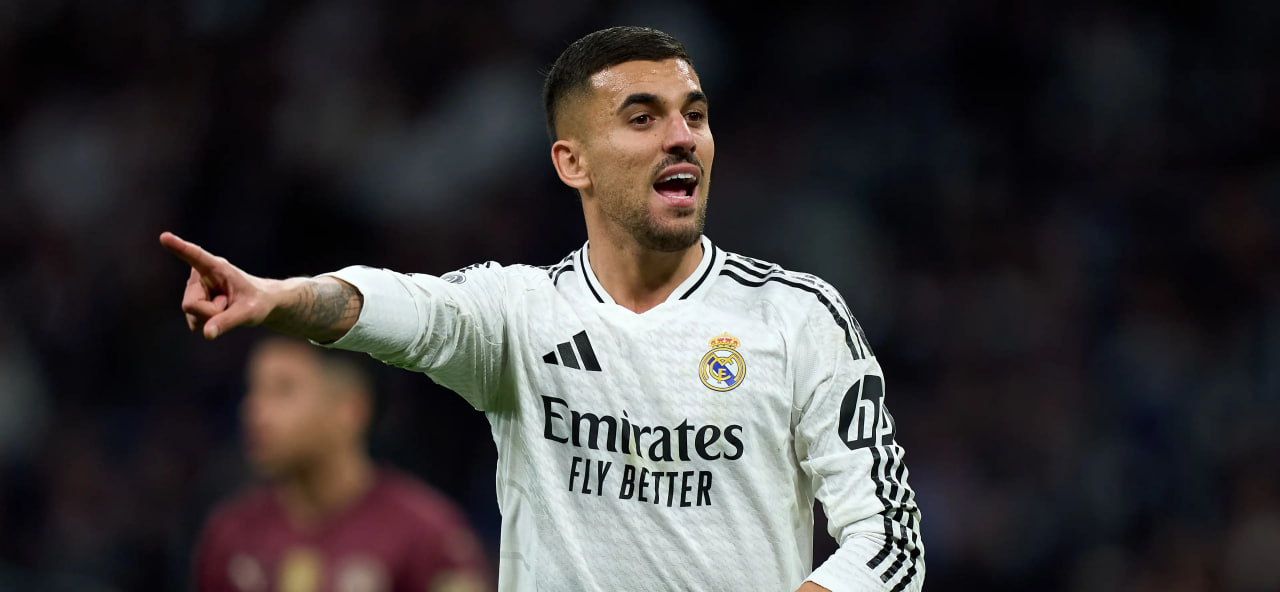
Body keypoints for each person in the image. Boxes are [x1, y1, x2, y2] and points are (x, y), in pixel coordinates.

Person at [163, 25, 923, 592]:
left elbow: (889, 540)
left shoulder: (797, 319)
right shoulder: (520, 315)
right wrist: (281, 298)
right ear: (572, 162)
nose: (682, 138)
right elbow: (408, 309)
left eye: (694, 115)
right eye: (642, 118)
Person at [193, 337, 490, 592]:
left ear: (349, 409)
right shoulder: (230, 534)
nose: (255, 411)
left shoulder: (426, 536)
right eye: (254, 390)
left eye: (283, 390)